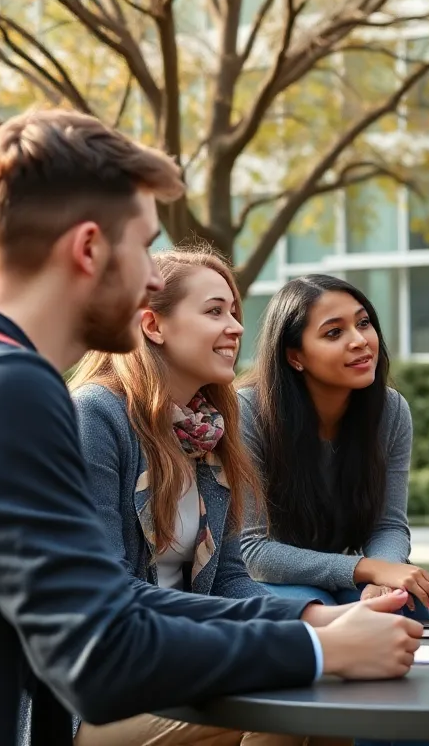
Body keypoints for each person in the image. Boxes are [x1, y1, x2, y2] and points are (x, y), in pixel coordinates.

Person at [0, 110, 421, 745]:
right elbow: (98, 655)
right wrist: (317, 652)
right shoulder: (7, 389)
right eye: (145, 246)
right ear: (90, 247)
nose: (154, 277)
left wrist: (310, 630)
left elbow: (109, 603)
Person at [65, 246, 346, 746]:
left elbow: (231, 580)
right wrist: (308, 622)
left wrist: (319, 619)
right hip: (97, 692)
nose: (237, 327)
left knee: (331, 702)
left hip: (185, 662)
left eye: (234, 312)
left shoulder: (208, 433)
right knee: (291, 709)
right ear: (153, 325)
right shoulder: (96, 418)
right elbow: (112, 593)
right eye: (215, 311)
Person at [239, 274, 429, 617]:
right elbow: (253, 551)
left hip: (344, 577)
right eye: (334, 332)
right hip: (266, 581)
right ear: (295, 356)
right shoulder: (248, 412)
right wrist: (368, 569)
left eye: (363, 323)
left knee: (405, 608)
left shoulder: (390, 411)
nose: (360, 340)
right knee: (313, 608)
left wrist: (386, 574)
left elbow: (388, 525)